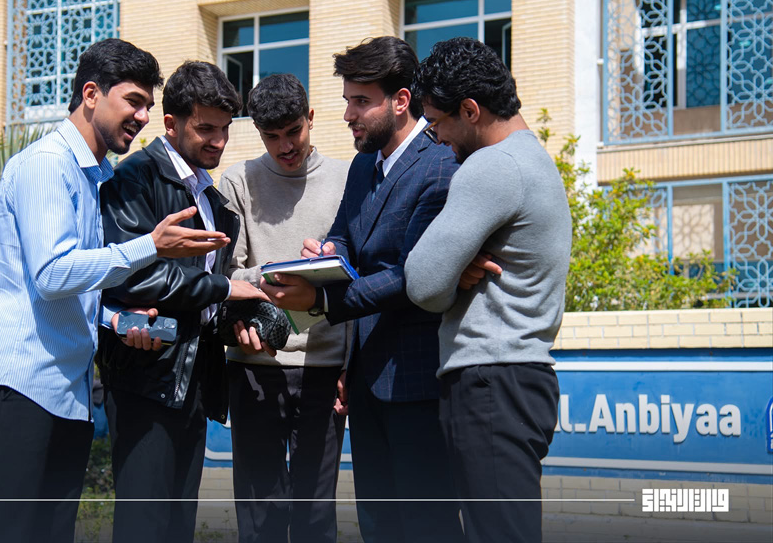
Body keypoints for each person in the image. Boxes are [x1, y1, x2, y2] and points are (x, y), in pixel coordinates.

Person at [0, 39, 228, 543]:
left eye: (148, 105)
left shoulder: (94, 179)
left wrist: (116, 321)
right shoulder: (47, 164)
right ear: (91, 94)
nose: (143, 117)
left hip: (68, 398)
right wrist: (150, 246)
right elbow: (52, 273)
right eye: (134, 101)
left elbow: (74, 289)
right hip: (21, 391)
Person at [262, 36, 472, 543]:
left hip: (419, 384)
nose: (348, 115)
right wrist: (323, 255)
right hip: (366, 379)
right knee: (379, 526)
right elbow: (345, 237)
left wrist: (322, 299)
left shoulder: (441, 165)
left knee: (428, 529)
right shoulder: (363, 165)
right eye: (347, 101)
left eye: (361, 101)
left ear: (401, 101)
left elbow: (412, 276)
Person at [405, 37, 573, 543]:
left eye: (435, 122)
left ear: (470, 110)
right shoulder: (534, 159)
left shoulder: (492, 165)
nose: (436, 138)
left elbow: (422, 283)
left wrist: (450, 275)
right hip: (518, 379)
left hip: (489, 384)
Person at [96, 60, 269, 543]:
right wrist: (224, 289)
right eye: (206, 129)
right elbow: (133, 276)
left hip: (193, 382)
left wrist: (242, 310)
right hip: (145, 380)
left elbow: (206, 289)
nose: (219, 141)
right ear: (171, 124)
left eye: (225, 129)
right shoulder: (134, 178)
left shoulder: (210, 196)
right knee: (144, 527)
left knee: (177, 528)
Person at [218, 73, 351, 543]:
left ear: (310, 118)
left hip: (325, 367)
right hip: (255, 365)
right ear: (257, 131)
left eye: (293, 131)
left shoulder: (347, 179)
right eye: (271, 136)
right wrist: (278, 273)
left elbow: (360, 281)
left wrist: (350, 364)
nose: (285, 146)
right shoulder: (237, 181)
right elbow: (224, 275)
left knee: (316, 516)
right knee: (261, 516)